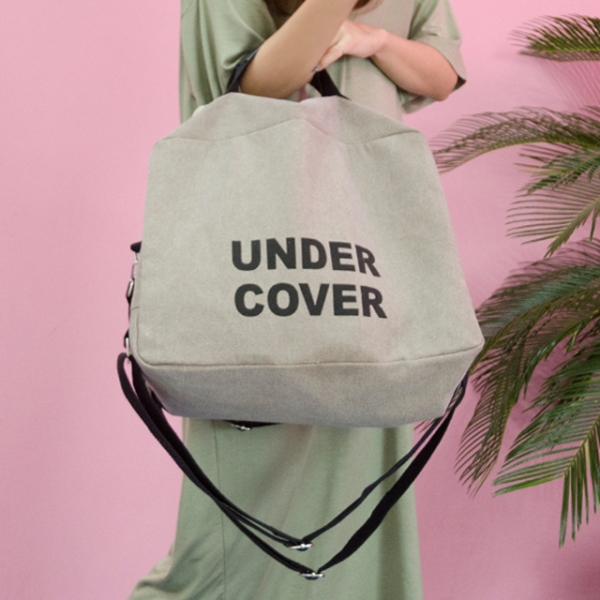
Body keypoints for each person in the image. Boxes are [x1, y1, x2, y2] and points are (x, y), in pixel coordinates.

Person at [128, 1, 466, 598]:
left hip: (362, 250)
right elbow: (251, 87)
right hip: (263, 247)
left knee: (363, 473)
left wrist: (368, 38)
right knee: (242, 521)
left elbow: (440, 75)